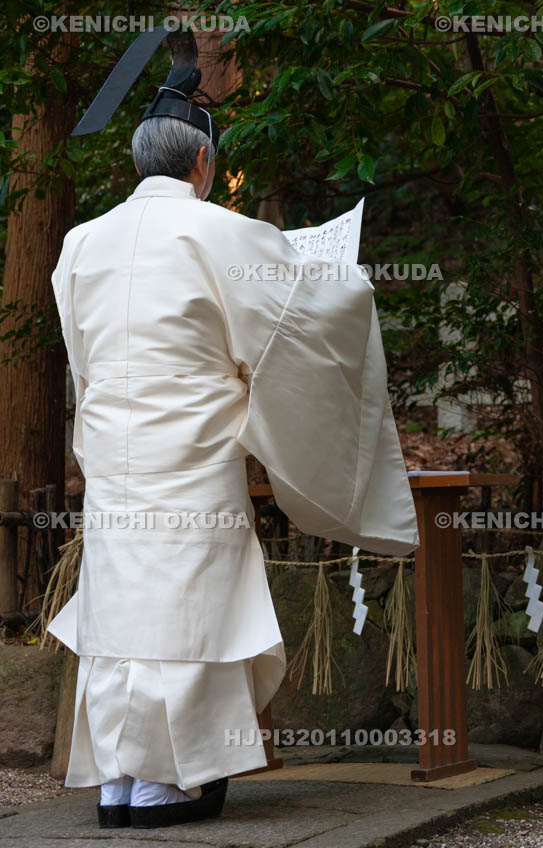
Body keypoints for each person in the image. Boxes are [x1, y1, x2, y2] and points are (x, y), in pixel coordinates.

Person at [47, 113, 419, 829]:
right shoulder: (220, 231)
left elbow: (81, 355)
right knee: (191, 607)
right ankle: (167, 783)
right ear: (201, 162)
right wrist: (339, 271)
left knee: (125, 605)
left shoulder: (81, 241)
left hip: (114, 448)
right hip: (191, 444)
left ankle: (118, 780)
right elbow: (298, 320)